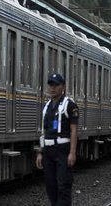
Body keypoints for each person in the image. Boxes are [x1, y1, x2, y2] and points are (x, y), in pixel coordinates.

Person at [36, 73, 79, 206]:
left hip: (62, 150)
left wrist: (72, 152)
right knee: (51, 186)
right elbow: (44, 131)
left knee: (63, 186)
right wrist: (40, 152)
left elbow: (73, 130)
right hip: (48, 150)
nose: (53, 88)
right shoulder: (47, 107)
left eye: (56, 85)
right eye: (51, 85)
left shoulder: (70, 106)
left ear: (63, 87)